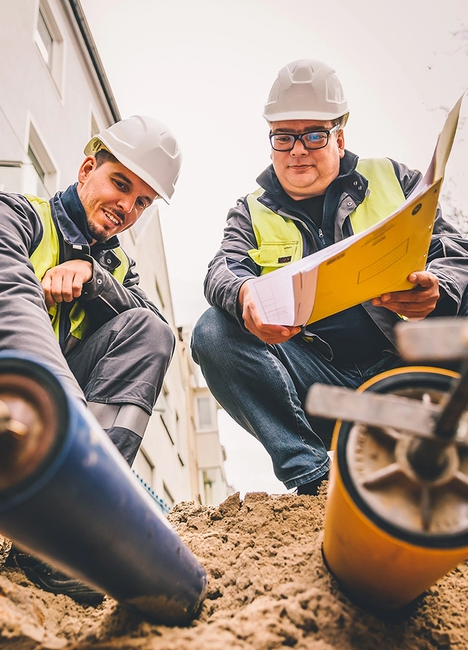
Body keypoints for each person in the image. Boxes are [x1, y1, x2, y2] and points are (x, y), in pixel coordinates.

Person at [0, 114, 182, 604]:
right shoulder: (5, 215)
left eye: (142, 203)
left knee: (148, 332)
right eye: (120, 183)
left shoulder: (115, 268)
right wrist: (69, 416)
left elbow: (153, 325)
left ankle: (63, 536)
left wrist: (94, 276)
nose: (127, 208)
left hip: (20, 421)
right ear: (87, 167)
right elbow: (10, 304)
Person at [191, 58, 468, 496]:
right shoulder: (250, 211)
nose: (297, 150)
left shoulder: (394, 180)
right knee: (213, 329)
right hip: (319, 387)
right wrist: (244, 293)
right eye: (284, 137)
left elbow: (456, 252)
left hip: (412, 370)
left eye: (313, 135)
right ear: (271, 144)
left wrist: (440, 290)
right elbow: (222, 269)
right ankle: (313, 480)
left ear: (340, 137)